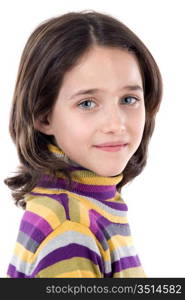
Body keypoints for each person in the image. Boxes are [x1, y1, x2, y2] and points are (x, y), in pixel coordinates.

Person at [5, 10, 162, 278]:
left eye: (128, 99)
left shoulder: (91, 201)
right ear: (44, 116)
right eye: (87, 103)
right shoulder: (70, 230)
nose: (116, 124)